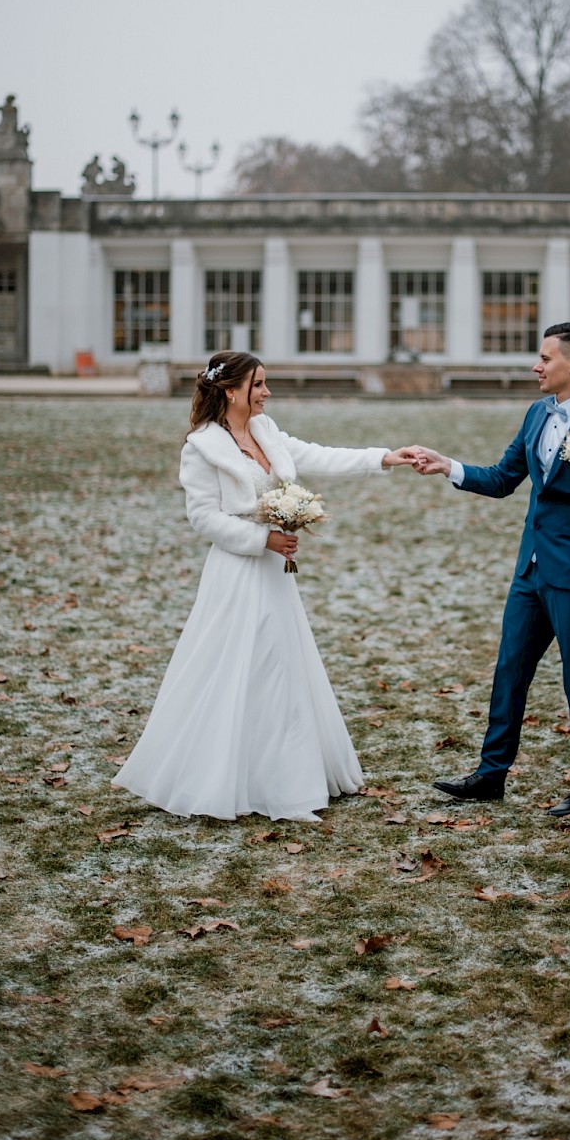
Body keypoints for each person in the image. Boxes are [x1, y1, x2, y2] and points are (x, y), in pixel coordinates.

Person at [112, 352, 416, 822]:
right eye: (258, 385)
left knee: (280, 664)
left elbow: (317, 455)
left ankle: (283, 774)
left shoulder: (266, 430)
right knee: (231, 666)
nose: (266, 393)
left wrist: (384, 458)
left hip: (276, 576)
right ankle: (216, 776)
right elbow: (203, 517)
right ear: (230, 390)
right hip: (236, 572)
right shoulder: (202, 446)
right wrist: (263, 538)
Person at [410, 323, 570, 819]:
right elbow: (501, 478)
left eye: (544, 358)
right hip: (531, 571)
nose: (536, 367)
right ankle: (491, 774)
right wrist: (446, 464)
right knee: (510, 670)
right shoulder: (538, 414)